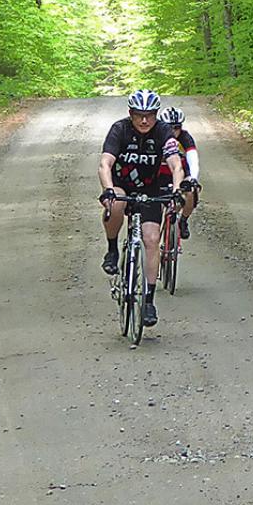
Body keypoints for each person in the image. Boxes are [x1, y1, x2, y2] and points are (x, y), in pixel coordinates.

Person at [97, 90, 190, 328]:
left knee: (150, 239)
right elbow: (105, 163)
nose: (144, 120)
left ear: (156, 115)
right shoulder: (119, 129)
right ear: (131, 114)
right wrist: (108, 188)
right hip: (121, 186)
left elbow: (175, 164)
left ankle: (148, 301)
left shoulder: (163, 132)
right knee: (115, 202)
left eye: (149, 115)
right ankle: (112, 249)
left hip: (151, 190)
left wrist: (178, 189)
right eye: (139, 115)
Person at [158, 105, 201, 239]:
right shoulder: (156, 136)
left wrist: (193, 177)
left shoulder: (185, 137)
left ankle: (183, 221)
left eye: (176, 127)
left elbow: (192, 157)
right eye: (169, 127)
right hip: (160, 175)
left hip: (181, 173)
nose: (173, 131)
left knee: (191, 192)